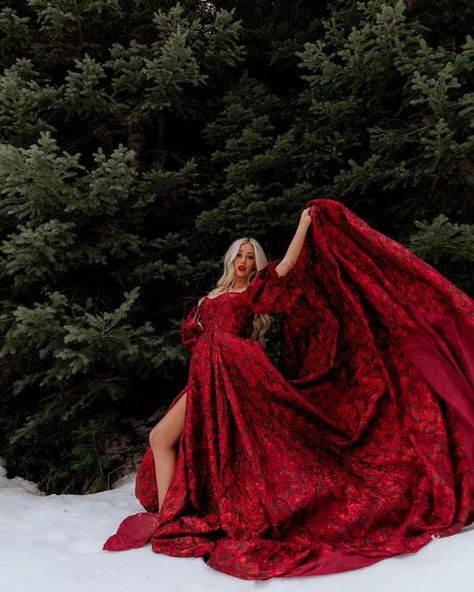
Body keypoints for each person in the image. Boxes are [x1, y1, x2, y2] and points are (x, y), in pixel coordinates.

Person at [104, 198, 474, 581]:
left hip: (234, 374)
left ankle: (170, 517)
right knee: (160, 436)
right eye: (239, 255)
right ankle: (171, 514)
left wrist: (304, 224)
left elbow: (284, 268)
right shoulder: (206, 300)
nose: (244, 261)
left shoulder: (251, 293)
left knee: (223, 445)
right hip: (203, 378)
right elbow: (196, 343)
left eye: (250, 257)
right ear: (229, 259)